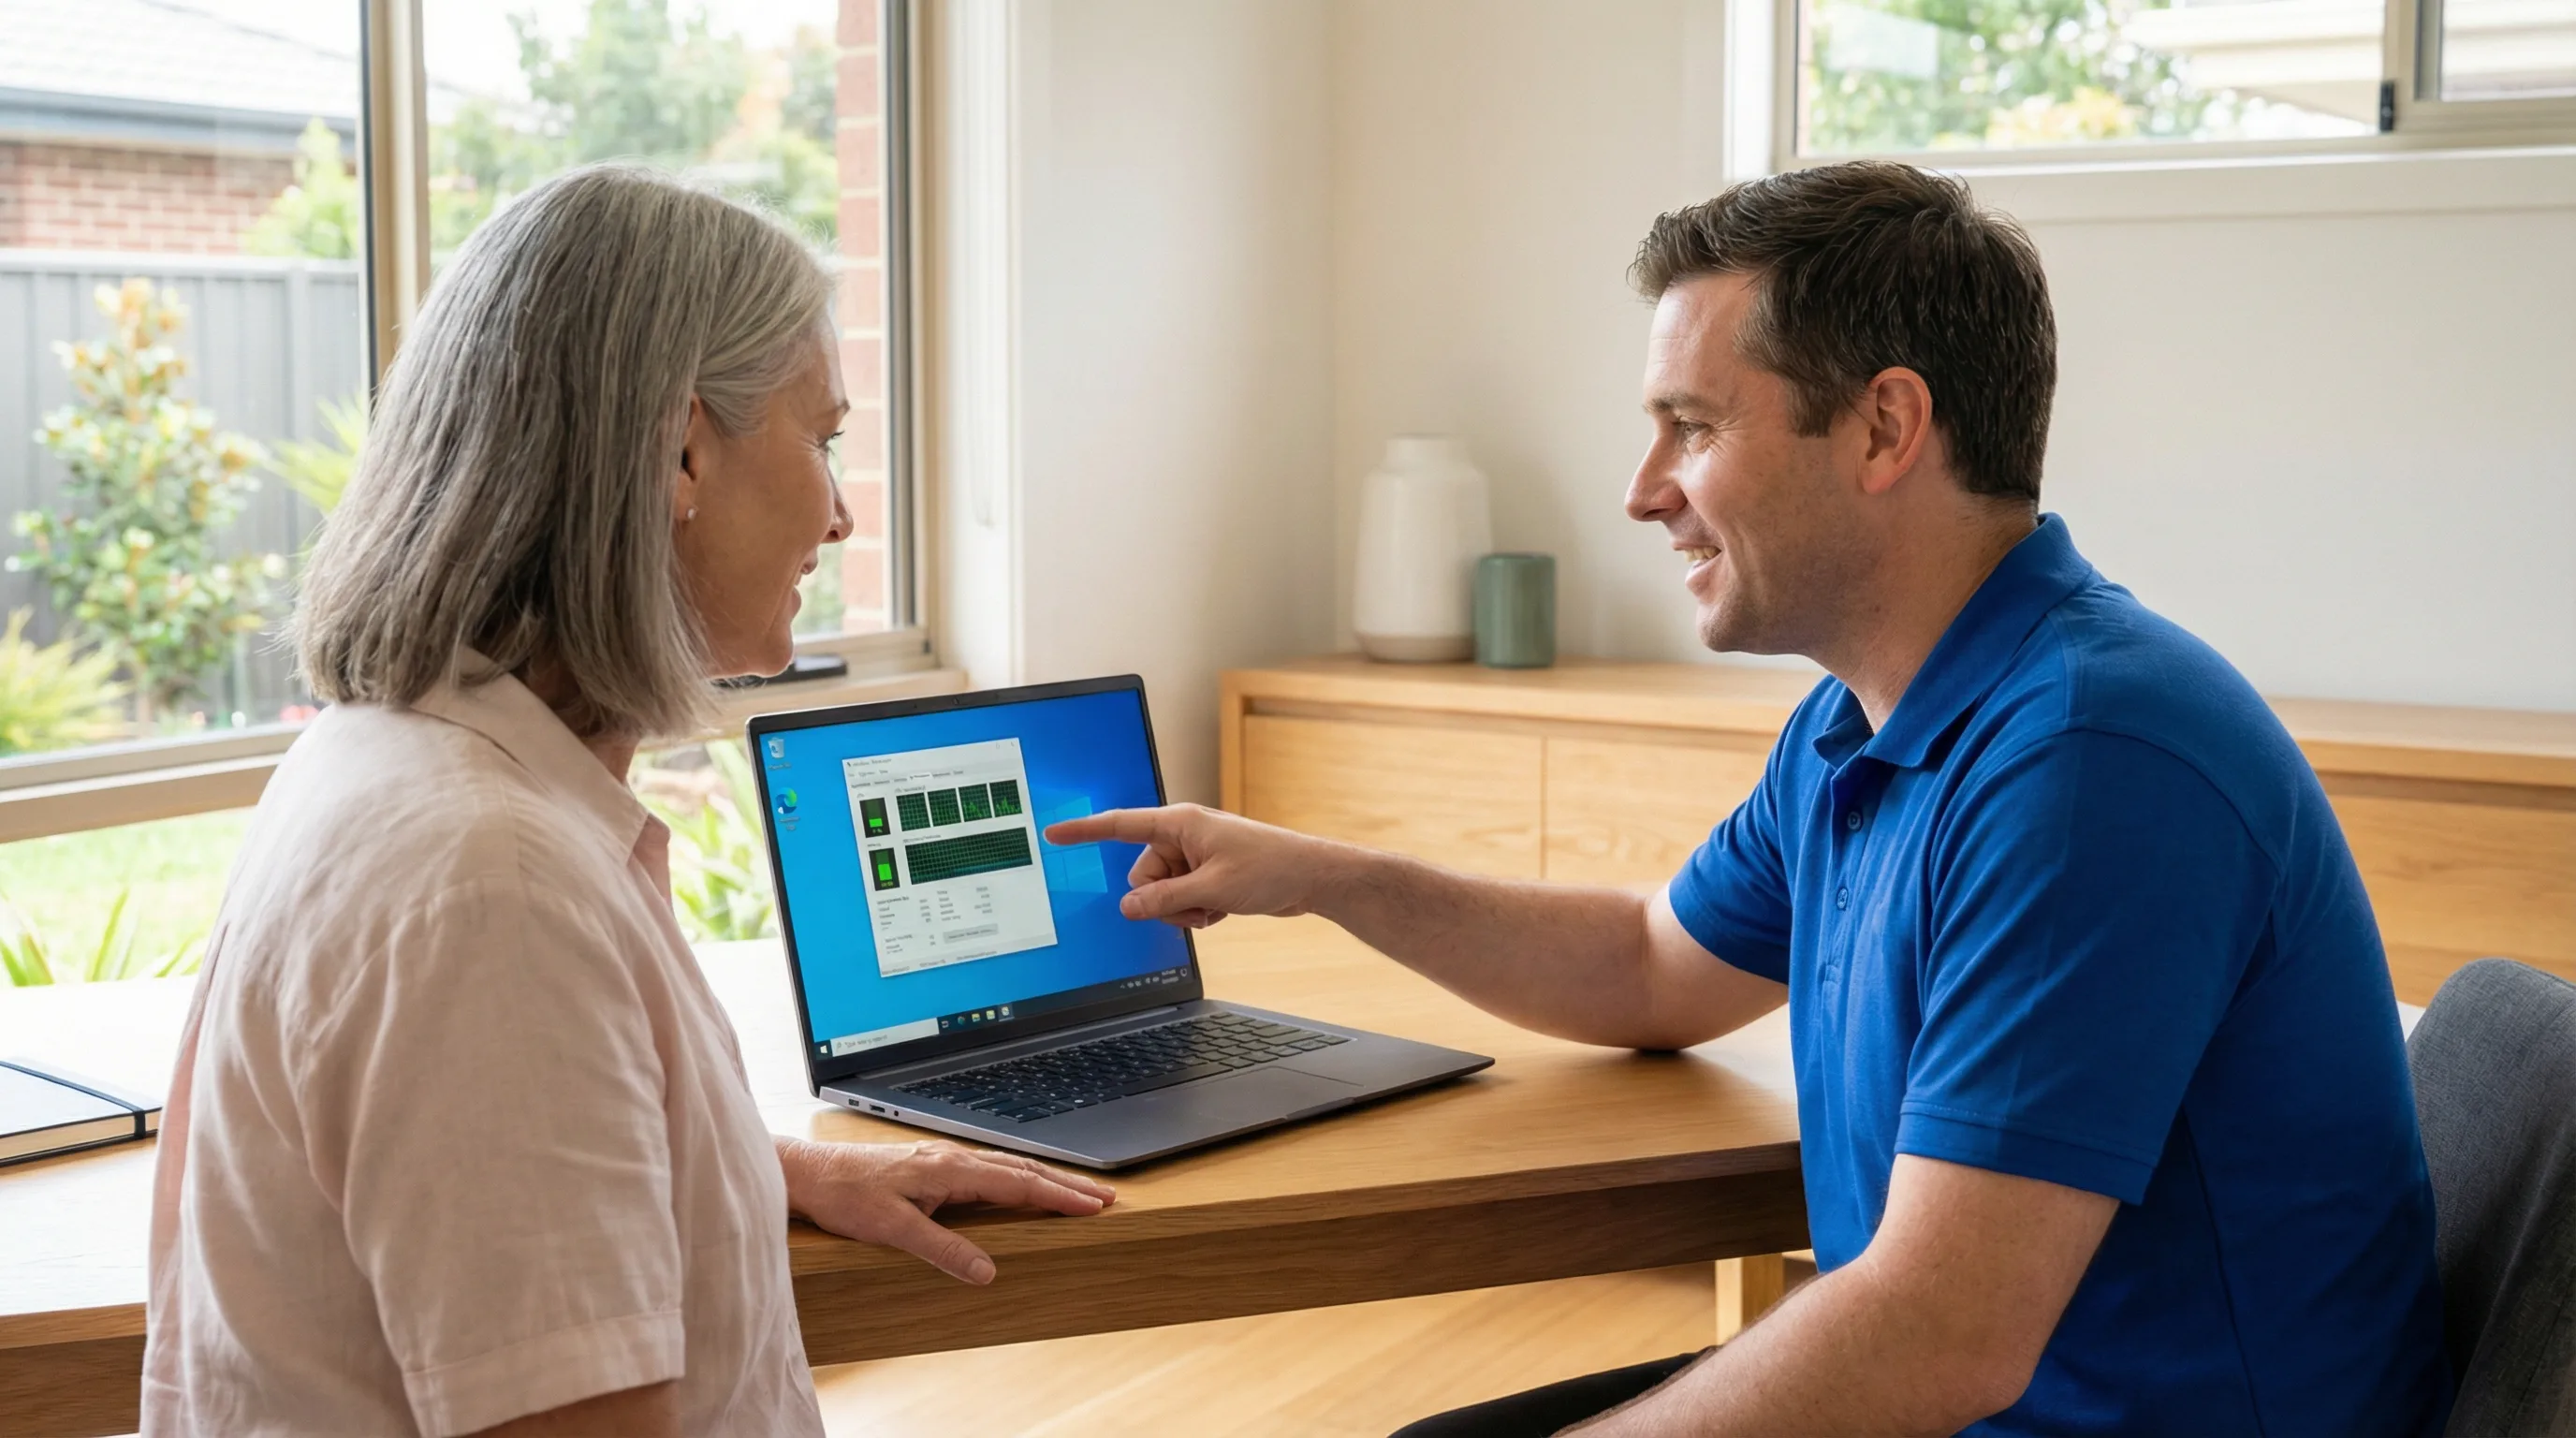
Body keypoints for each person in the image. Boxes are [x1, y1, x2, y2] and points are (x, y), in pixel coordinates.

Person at [1047, 161, 2452, 1436]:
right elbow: (1652, 963)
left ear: (1885, 426)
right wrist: (1325, 874)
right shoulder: (1865, 723)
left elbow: (1940, 1335)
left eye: (1692, 426)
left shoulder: (2090, 765)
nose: (1640, 490)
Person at [141, 165, 1115, 1438]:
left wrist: (743, 1171)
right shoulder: (488, 891)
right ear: (681, 452)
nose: (839, 511)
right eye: (821, 441)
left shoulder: (394, 763)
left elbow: (458, 1165)